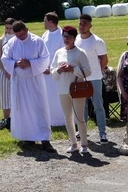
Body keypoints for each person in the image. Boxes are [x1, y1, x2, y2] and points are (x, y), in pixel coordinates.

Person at [1, 21, 55, 153]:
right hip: (19, 81)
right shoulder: (12, 43)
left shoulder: (37, 41)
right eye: (18, 36)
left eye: (23, 35)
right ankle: (27, 137)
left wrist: (30, 63)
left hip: (34, 80)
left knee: (39, 108)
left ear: (27, 29)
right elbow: (4, 59)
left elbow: (45, 58)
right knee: (23, 110)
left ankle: (45, 139)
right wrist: (15, 63)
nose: (21, 38)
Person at [50, 26, 92, 154]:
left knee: (79, 117)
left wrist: (73, 69)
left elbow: (88, 71)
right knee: (67, 117)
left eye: (69, 37)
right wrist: (59, 70)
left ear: (74, 38)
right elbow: (52, 71)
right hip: (63, 89)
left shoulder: (80, 52)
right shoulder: (59, 52)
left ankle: (84, 143)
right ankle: (73, 143)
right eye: (64, 36)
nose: (66, 39)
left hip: (77, 89)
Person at [75, 14, 109, 144]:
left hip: (94, 77)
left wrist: (97, 71)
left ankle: (103, 133)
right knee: (81, 106)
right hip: (80, 78)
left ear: (90, 25)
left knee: (98, 106)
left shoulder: (97, 41)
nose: (82, 26)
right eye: (80, 23)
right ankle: (82, 131)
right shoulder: (77, 39)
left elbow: (104, 59)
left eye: (84, 24)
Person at [41, 12, 66, 126]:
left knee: (57, 96)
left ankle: (60, 120)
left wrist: (52, 68)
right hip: (44, 71)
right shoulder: (45, 34)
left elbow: (63, 53)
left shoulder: (61, 35)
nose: (44, 23)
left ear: (50, 22)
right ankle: (49, 120)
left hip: (56, 71)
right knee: (47, 96)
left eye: (45, 20)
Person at [0, 18, 16, 130]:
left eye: (11, 28)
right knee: (5, 96)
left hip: (16, 71)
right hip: (4, 72)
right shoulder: (1, 40)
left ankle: (17, 118)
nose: (8, 30)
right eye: (7, 28)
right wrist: (5, 71)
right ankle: (7, 119)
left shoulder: (18, 38)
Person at [117, 47, 128, 155]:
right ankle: (127, 142)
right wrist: (123, 92)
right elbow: (119, 76)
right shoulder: (125, 56)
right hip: (127, 92)